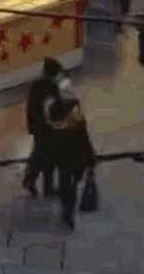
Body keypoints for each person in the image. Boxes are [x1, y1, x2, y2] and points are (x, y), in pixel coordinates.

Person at [44, 81, 97, 229]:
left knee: (68, 184)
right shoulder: (76, 124)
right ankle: (68, 210)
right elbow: (85, 144)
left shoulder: (57, 127)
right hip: (73, 162)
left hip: (67, 162)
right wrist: (90, 158)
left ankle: (67, 209)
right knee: (70, 185)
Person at [24, 57, 63, 198]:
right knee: (46, 157)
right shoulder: (51, 86)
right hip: (48, 127)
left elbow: (31, 108)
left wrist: (31, 125)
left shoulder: (36, 85)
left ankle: (32, 180)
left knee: (39, 154)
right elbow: (56, 107)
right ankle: (42, 184)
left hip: (39, 126)